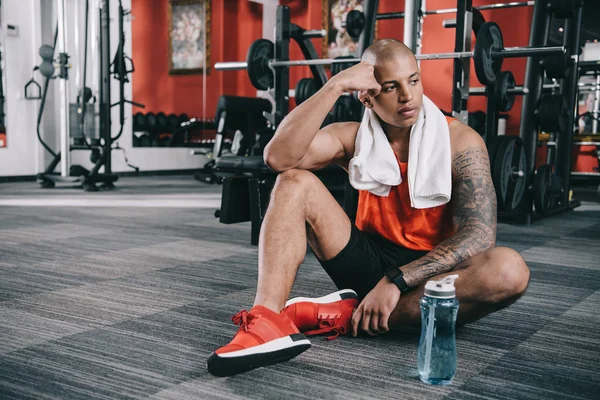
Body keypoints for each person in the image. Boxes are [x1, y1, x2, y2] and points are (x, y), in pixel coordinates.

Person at [207, 39, 530, 377]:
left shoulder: (461, 141)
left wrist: (397, 282)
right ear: (367, 95)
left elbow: (479, 236)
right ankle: (266, 323)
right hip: (366, 263)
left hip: (432, 279)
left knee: (510, 270)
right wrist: (336, 85)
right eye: (391, 87)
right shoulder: (353, 138)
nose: (408, 96)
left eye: (414, 80)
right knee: (293, 182)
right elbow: (278, 158)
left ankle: (349, 315)